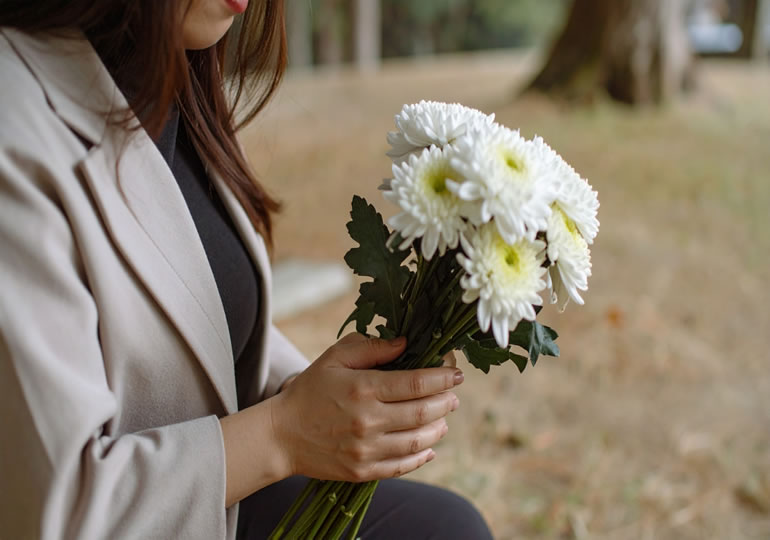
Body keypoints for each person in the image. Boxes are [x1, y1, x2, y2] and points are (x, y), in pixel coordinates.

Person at [0, 1, 494, 538]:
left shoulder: (173, 73)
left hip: (214, 499)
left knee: (446, 527)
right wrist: (285, 433)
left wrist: (314, 389)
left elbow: (201, 313)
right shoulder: (16, 124)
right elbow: (55, 510)